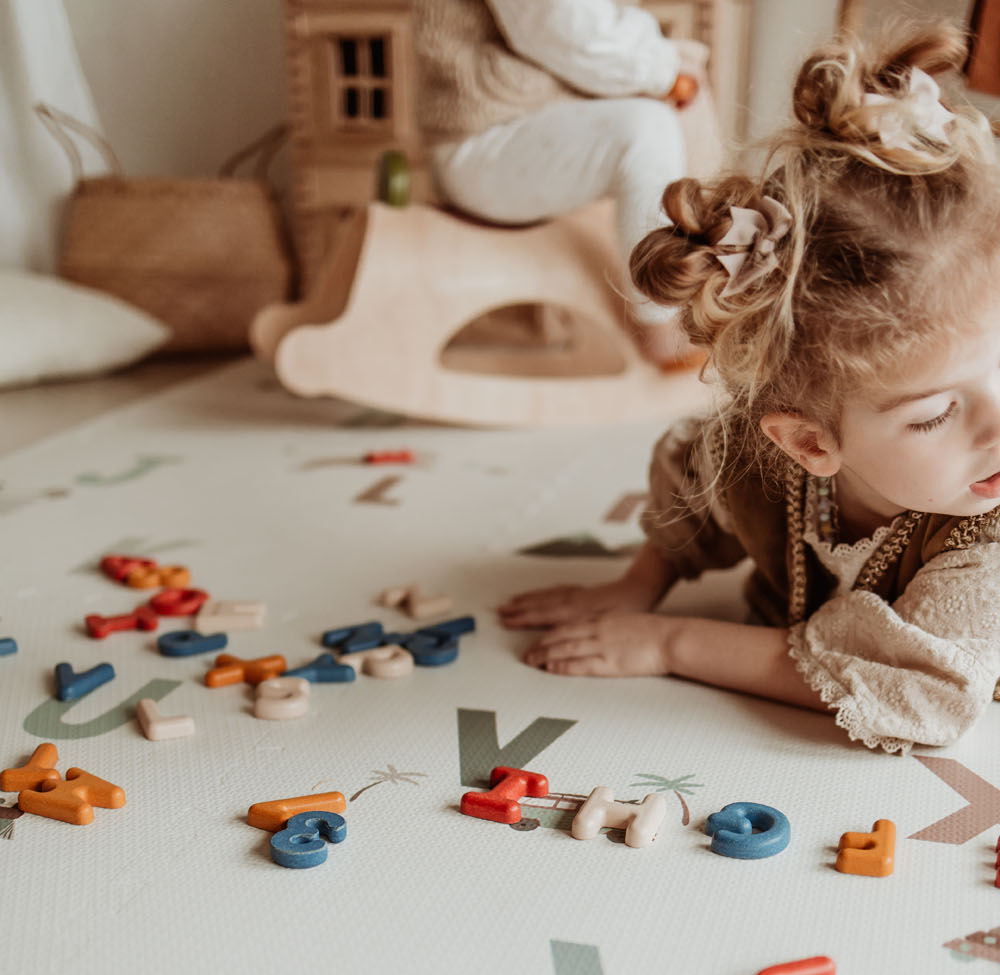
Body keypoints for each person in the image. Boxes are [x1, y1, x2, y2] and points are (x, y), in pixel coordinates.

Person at [499, 21, 1000, 754]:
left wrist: (671, 642)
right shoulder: (755, 451)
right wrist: (637, 586)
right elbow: (697, 480)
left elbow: (911, 689)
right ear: (809, 442)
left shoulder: (988, 532)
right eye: (935, 415)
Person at [412, 0, 716, 366]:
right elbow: (563, 29)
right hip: (483, 138)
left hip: (530, 120)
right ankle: (661, 320)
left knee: (678, 109)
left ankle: (702, 286)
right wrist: (664, 69)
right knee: (645, 131)